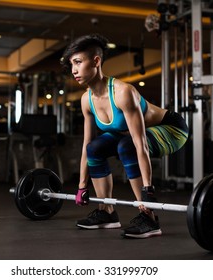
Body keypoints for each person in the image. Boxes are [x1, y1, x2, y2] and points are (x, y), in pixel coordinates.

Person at [61, 34, 189, 238]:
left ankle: (149, 217)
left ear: (96, 61)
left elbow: (140, 144)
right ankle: (107, 212)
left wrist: (148, 189)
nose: (74, 70)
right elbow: (87, 145)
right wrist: (81, 186)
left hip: (172, 129)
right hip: (132, 136)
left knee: (126, 146)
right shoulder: (86, 100)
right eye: (71, 64)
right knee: (94, 148)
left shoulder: (122, 92)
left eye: (78, 62)